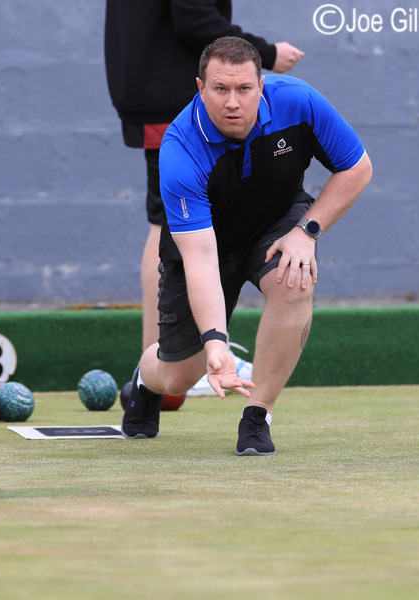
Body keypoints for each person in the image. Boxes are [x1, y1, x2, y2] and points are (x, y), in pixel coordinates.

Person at [121, 37, 373, 455]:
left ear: (263, 85)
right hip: (206, 244)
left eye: (244, 89)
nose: (233, 102)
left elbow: (357, 167)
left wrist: (307, 231)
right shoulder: (181, 148)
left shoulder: (299, 102)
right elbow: (201, 259)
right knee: (180, 376)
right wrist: (216, 343)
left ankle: (258, 415)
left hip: (276, 220)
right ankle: (144, 382)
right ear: (200, 88)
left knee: (295, 280)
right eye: (220, 89)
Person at [103, 1, 304, 355]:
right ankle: (166, 359)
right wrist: (267, 52)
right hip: (170, 95)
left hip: (151, 85)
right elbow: (193, 18)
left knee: (165, 223)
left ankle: (163, 360)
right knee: (165, 225)